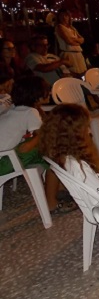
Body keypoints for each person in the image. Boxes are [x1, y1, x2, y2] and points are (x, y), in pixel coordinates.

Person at [0, 76, 76, 213]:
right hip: (5, 161)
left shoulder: (14, 108)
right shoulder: (30, 112)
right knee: (56, 157)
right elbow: (42, 135)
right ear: (37, 96)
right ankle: (52, 203)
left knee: (50, 152)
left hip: (5, 157)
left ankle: (57, 189)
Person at [39, 103, 99, 196]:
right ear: (73, 134)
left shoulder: (67, 156)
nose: (90, 131)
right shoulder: (78, 167)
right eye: (86, 127)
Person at [55, 8, 87, 77]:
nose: (64, 18)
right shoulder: (59, 27)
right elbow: (68, 41)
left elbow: (82, 39)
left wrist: (74, 40)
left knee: (82, 75)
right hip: (69, 54)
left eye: (66, 15)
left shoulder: (72, 28)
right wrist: (77, 41)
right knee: (73, 75)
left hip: (78, 54)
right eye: (61, 16)